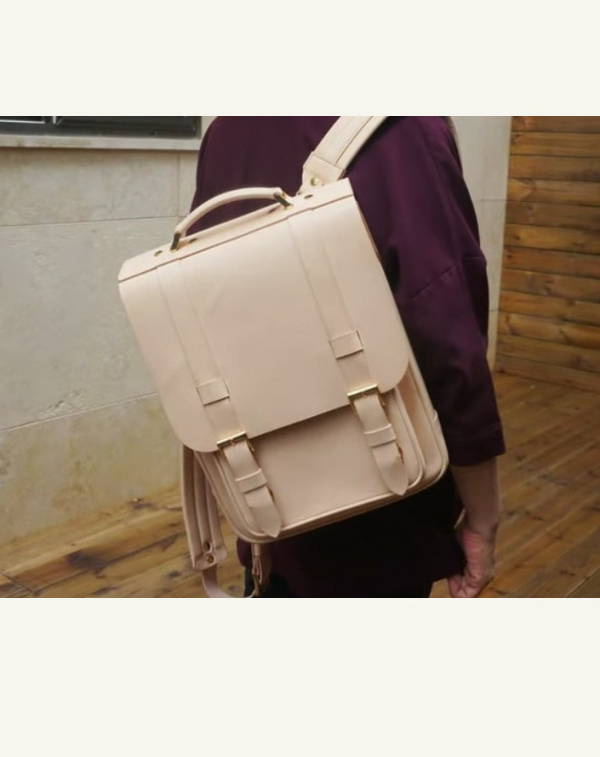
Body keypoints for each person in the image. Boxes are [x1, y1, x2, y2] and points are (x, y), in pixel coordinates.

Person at [189, 116, 505, 599]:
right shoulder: (404, 128)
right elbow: (447, 338)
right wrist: (483, 514)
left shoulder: (227, 129)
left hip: (264, 500)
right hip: (382, 513)